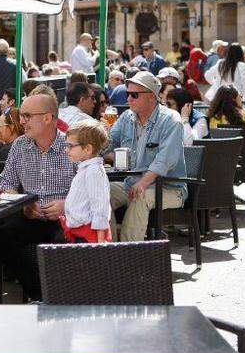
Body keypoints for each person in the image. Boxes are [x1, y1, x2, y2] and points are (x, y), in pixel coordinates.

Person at [0, 94, 76, 301]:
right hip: (30, 216)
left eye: (27, 115)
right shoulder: (20, 145)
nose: (21, 120)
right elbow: (6, 184)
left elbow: (91, 190)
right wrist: (22, 203)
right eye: (22, 115)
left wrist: (66, 205)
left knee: (64, 243)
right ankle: (40, 296)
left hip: (65, 218)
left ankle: (61, 297)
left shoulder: (72, 145)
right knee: (3, 237)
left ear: (47, 118)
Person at [107, 71, 187, 242]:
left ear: (151, 96)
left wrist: (142, 183)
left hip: (169, 188)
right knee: (101, 193)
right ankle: (110, 249)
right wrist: (97, 136)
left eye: (134, 95)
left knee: (139, 197)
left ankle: (130, 255)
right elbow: (109, 143)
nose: (128, 99)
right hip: (131, 182)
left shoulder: (171, 120)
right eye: (128, 94)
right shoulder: (126, 117)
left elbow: (165, 160)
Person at [63, 120, 112, 244]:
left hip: (89, 235)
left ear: (88, 149)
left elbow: (100, 206)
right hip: (79, 231)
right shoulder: (86, 168)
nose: (66, 150)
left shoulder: (93, 171)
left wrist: (100, 241)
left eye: (71, 146)